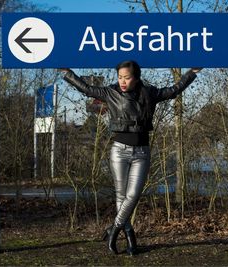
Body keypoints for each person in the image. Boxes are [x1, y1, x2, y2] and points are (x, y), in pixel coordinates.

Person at [60, 61, 202, 255]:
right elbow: (86, 88)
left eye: (127, 77)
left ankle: (113, 230)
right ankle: (130, 239)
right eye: (120, 77)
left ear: (136, 77)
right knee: (121, 197)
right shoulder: (111, 93)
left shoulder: (149, 93)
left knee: (133, 196)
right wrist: (67, 73)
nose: (123, 81)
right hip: (119, 151)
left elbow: (173, 90)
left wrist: (192, 73)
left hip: (141, 152)